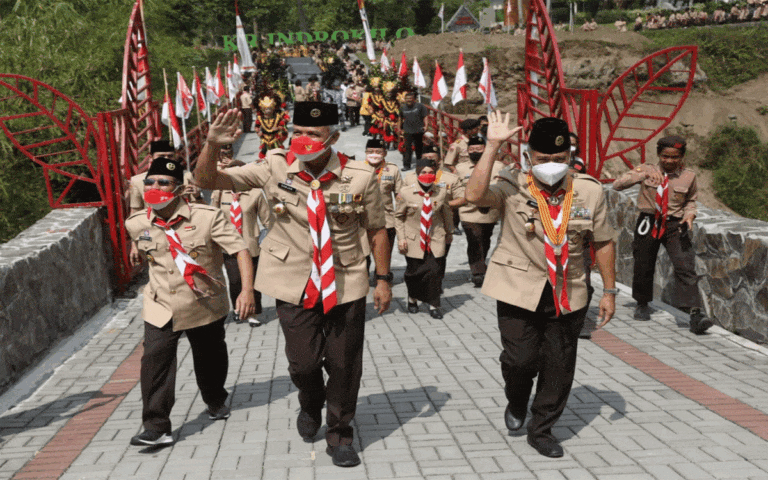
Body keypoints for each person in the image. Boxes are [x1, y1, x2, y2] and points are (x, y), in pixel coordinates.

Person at [194, 102, 392, 468]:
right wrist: (211, 144)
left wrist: (383, 279)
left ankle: (340, 434)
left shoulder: (361, 176)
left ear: (333, 137)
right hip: (292, 281)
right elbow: (207, 181)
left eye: (313, 134)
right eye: (297, 132)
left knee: (344, 365)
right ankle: (310, 401)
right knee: (303, 364)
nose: (303, 139)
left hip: (345, 280)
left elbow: (377, 229)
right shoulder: (275, 166)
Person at [465, 113, 617, 458]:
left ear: (570, 156)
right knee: (520, 361)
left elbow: (603, 241)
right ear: (529, 156)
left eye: (559, 158)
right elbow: (474, 196)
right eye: (543, 158)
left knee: (559, 365)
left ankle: (542, 429)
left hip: (568, 290)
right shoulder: (512, 183)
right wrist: (492, 146)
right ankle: (518, 399)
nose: (551, 165)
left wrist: (609, 292)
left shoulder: (588, 190)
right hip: (518, 287)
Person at [125, 157, 255, 447]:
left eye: (163, 182)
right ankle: (156, 426)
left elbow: (240, 250)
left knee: (210, 357)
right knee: (154, 360)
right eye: (150, 182)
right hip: (161, 304)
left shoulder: (207, 217)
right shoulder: (137, 223)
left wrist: (246, 290)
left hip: (203, 302)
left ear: (180, 189)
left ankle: (215, 398)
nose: (154, 187)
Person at [612, 136, 713, 334]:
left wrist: (690, 215)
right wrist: (642, 175)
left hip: (675, 224)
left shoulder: (689, 176)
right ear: (659, 154)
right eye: (665, 156)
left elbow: (690, 201)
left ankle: (695, 313)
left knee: (685, 266)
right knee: (643, 263)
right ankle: (642, 303)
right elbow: (617, 185)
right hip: (648, 221)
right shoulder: (646, 169)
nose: (669, 161)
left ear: (682, 157)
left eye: (674, 157)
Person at [210, 155, 273, 327]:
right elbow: (212, 216)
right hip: (229, 246)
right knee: (235, 280)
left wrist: (270, 240)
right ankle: (239, 310)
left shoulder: (255, 193)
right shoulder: (221, 193)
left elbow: (267, 219)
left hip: (251, 244)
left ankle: (253, 312)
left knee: (253, 280)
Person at [395, 155, 453, 319]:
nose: (427, 175)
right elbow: (398, 217)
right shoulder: (406, 193)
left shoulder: (441, 192)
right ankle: (412, 298)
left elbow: (447, 214)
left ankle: (434, 305)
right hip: (413, 239)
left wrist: (449, 232)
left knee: (435, 271)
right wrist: (401, 238)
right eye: (423, 172)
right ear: (417, 173)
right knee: (414, 273)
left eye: (431, 172)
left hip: (436, 238)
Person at [454, 136, 503, 287]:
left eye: (478, 149)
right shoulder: (460, 169)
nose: (475, 151)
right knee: (474, 239)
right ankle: (477, 273)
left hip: (489, 211)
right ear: (467, 151)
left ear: (485, 149)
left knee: (485, 239)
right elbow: (455, 189)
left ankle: (480, 265)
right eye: (472, 149)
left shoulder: (498, 166)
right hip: (467, 211)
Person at [364, 138, 402, 266]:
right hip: (363, 220)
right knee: (363, 256)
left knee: (384, 256)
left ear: (385, 153)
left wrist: (401, 217)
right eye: (370, 151)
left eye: (378, 152)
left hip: (387, 220)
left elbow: (399, 195)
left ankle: (383, 275)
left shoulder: (393, 169)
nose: (374, 154)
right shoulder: (358, 169)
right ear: (365, 152)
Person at [398, 90, 429, 171]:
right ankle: (406, 166)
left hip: (418, 130)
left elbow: (425, 116)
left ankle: (420, 165)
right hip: (407, 130)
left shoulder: (420, 106)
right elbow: (400, 118)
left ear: (414, 99)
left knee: (419, 148)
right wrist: (399, 128)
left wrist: (426, 126)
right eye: (407, 98)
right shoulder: (402, 107)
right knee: (407, 149)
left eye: (410, 98)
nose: (408, 100)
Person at [254, 94, 290, 159]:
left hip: (275, 137)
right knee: (264, 151)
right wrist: (258, 131)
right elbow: (256, 126)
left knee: (278, 151)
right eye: (266, 109)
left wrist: (278, 128)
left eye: (269, 108)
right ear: (262, 109)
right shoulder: (259, 117)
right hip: (265, 138)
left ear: (273, 108)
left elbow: (284, 123)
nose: (268, 111)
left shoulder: (278, 116)